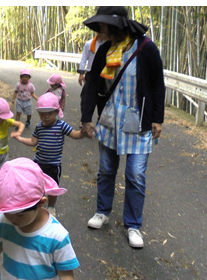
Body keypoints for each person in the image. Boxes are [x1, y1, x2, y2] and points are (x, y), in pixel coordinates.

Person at [81, 6, 165, 248]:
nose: (102, 31)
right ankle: (102, 212)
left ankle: (133, 225)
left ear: (117, 25)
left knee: (135, 175)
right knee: (106, 170)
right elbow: (92, 82)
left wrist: (157, 118)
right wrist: (87, 118)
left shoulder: (145, 48)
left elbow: (158, 84)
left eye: (104, 26)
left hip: (139, 121)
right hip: (110, 119)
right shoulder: (105, 49)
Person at [0, 157, 80, 279]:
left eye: (20, 215)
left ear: (40, 203)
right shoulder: (3, 221)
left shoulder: (57, 237)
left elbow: (66, 274)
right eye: (7, 212)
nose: (12, 219)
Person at [14, 92, 86, 216]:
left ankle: (51, 206)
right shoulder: (39, 127)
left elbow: (74, 134)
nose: (46, 117)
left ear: (56, 112)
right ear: (39, 114)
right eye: (42, 114)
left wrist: (83, 133)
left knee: (53, 188)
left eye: (50, 114)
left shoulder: (61, 125)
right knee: (38, 186)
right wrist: (20, 138)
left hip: (53, 165)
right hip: (38, 163)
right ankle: (39, 204)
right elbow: (33, 142)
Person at [77, 32, 108, 119]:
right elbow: (84, 59)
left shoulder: (109, 44)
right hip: (91, 74)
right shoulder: (89, 44)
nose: (102, 34)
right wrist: (81, 74)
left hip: (104, 75)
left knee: (102, 98)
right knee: (86, 97)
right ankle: (85, 119)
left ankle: (101, 118)